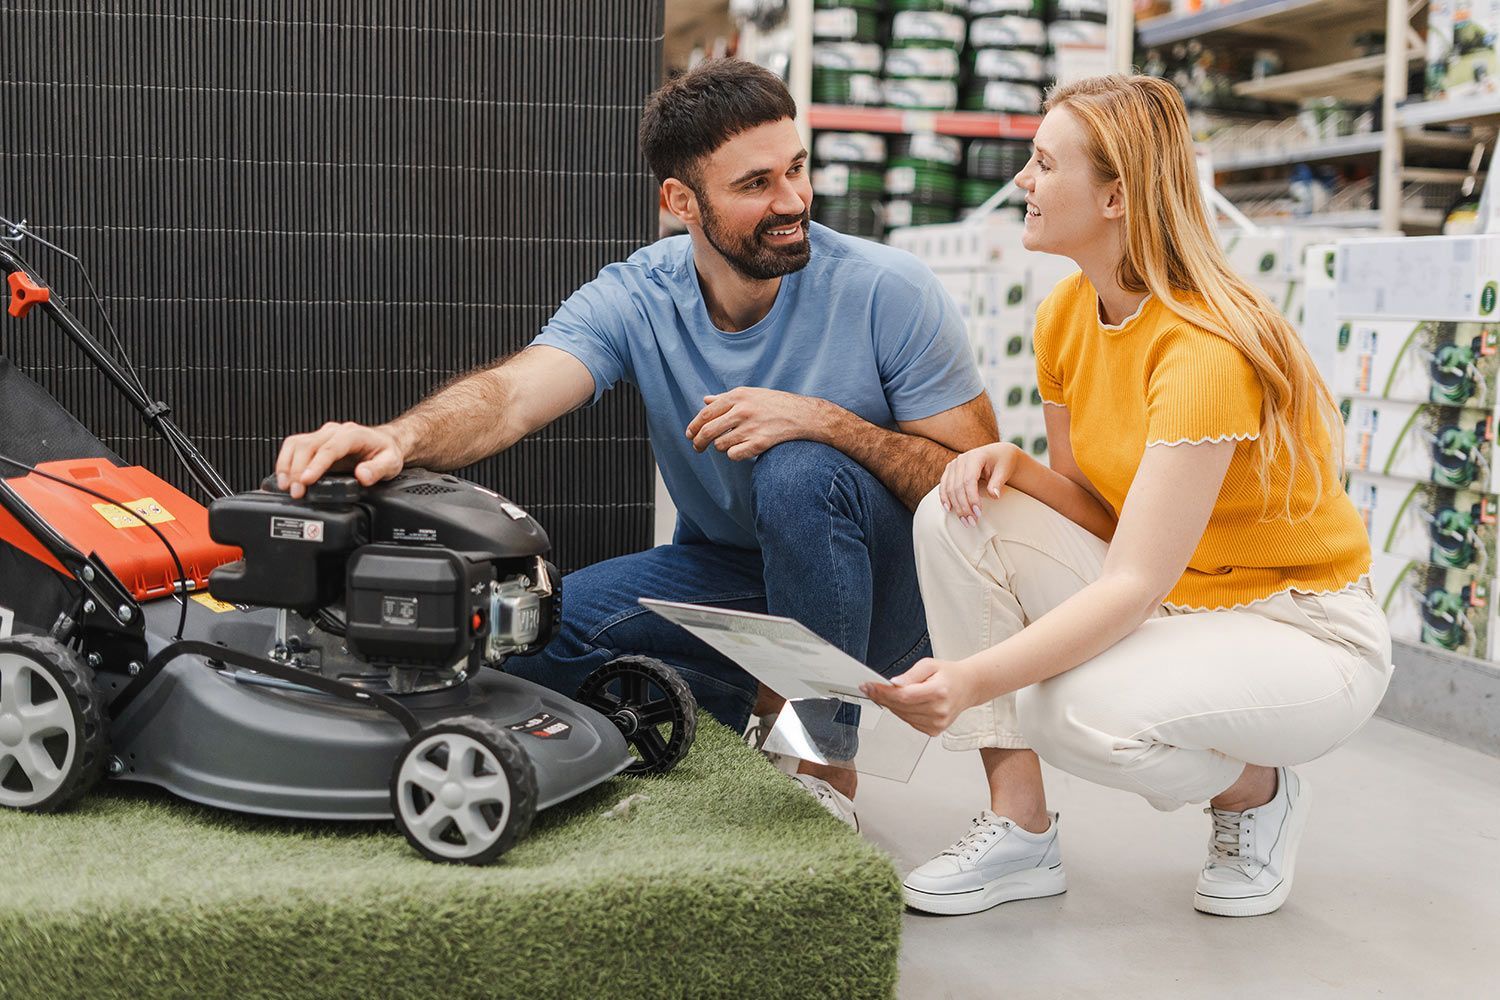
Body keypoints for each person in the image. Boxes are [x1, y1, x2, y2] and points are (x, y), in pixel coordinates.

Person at [273, 58, 998, 823]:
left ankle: (819, 764)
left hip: (891, 595)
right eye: (756, 185)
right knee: (536, 642)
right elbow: (513, 395)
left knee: (798, 469)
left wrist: (827, 421)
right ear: (681, 201)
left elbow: (976, 488)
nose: (792, 202)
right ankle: (746, 695)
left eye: (797, 169)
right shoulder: (637, 294)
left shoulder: (890, 290)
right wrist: (397, 436)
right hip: (729, 575)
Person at [863, 75, 1391, 917]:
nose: (1024, 183)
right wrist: (1019, 468)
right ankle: (1021, 832)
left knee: (1067, 711)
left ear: (1115, 196)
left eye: (1042, 163)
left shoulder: (1203, 350)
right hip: (1181, 600)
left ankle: (1257, 789)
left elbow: (1131, 582)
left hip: (1302, 627)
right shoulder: (1067, 314)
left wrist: (966, 679)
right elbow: (1103, 508)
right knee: (958, 512)